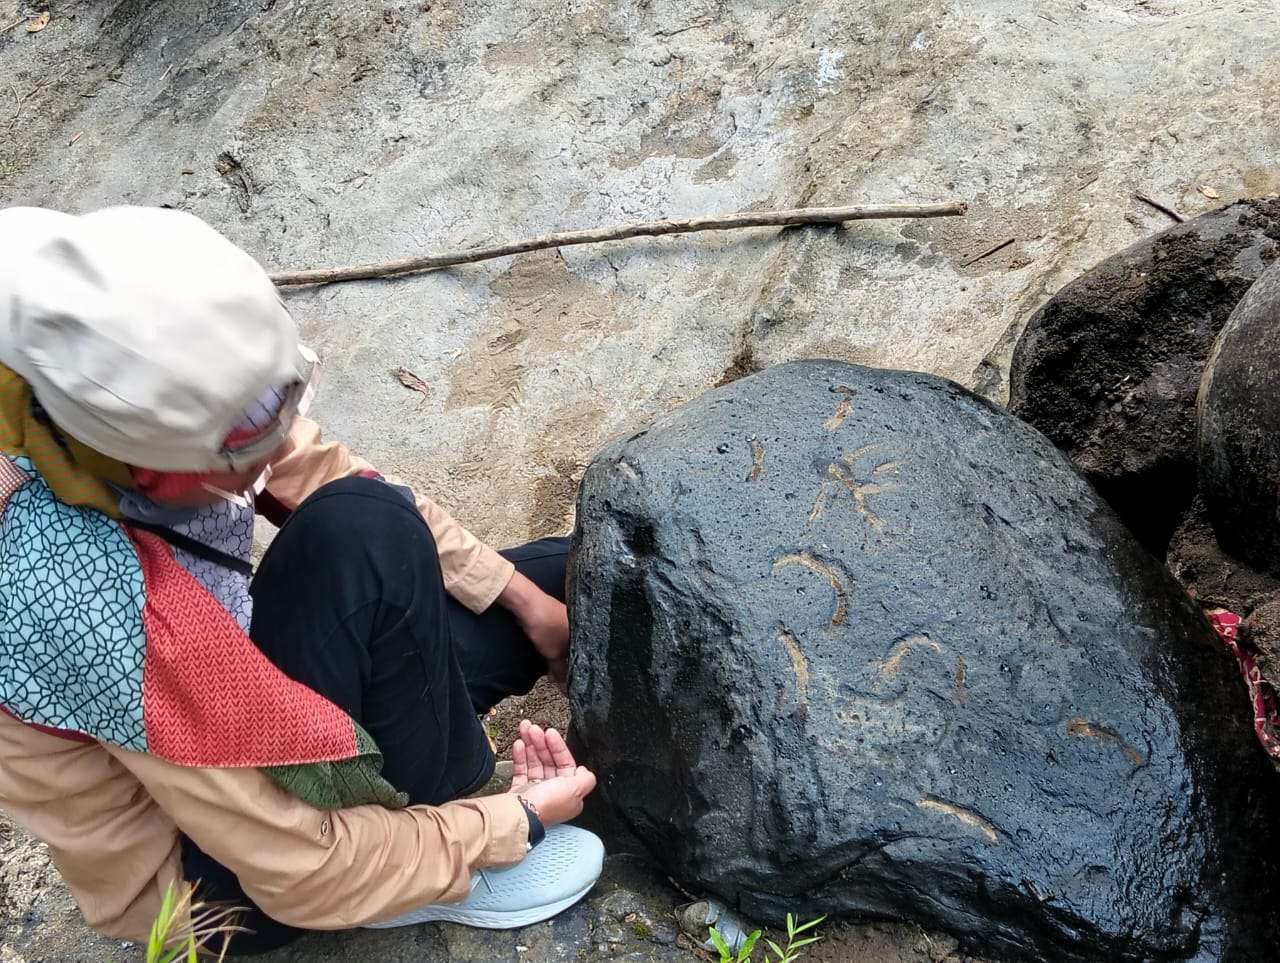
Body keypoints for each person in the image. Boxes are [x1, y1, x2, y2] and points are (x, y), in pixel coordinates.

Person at [0, 206, 602, 954]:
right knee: (367, 531)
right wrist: (509, 822)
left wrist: (525, 598)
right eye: (258, 432)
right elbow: (298, 863)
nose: (283, 432)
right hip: (211, 873)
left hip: (228, 662)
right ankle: (417, 867)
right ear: (158, 469)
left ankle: (427, 801)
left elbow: (319, 468)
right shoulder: (91, 610)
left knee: (565, 575)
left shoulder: (77, 334)